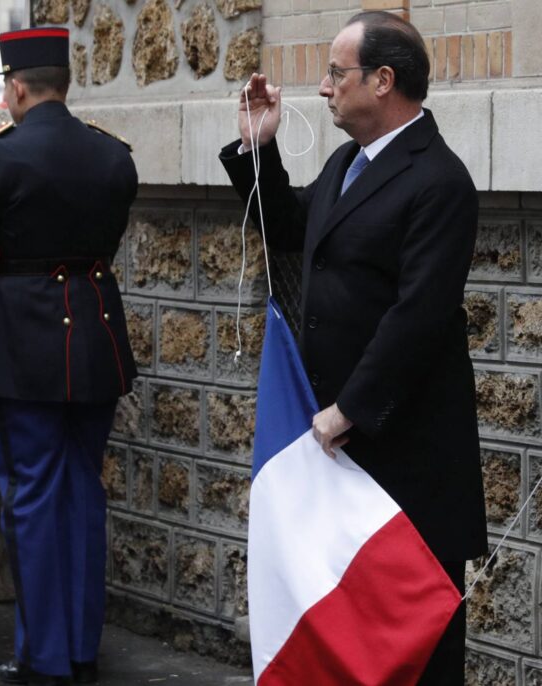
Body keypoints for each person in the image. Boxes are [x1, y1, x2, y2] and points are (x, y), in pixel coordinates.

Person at [220, 11, 486, 685]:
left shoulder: (440, 180)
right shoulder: (346, 163)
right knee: (352, 638)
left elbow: (418, 316)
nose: (322, 88)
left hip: (404, 449)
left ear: (383, 80)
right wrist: (258, 148)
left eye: (336, 73)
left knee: (415, 640)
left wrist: (351, 409)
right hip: (341, 443)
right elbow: (287, 227)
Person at [0, 27, 138, 686]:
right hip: (95, 340)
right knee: (84, 495)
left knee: (30, 500)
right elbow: (107, 243)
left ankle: (45, 658)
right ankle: (81, 651)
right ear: (66, 83)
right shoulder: (113, 156)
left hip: (23, 343)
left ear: (16, 88)